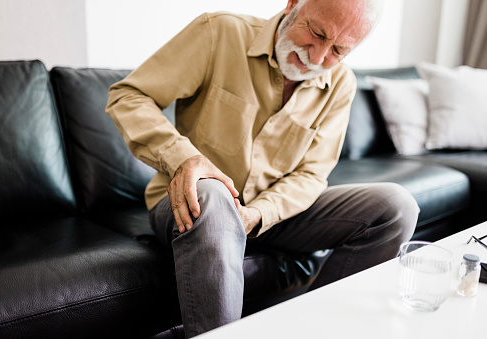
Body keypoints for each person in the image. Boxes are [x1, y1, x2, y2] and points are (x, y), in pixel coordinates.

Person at [106, 0, 419, 337]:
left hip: (271, 216)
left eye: (338, 50)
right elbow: (128, 96)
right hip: (193, 205)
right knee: (212, 192)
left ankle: (315, 329)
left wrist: (258, 213)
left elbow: (311, 174)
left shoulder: (341, 85)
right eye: (316, 32)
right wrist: (183, 157)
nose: (316, 58)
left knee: (396, 206)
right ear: (293, 4)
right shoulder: (220, 32)